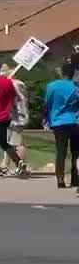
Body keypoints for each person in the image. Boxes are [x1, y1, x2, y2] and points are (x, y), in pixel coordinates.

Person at [42, 61, 79, 189]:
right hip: (74, 121)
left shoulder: (51, 86)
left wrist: (46, 118)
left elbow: (47, 104)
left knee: (61, 151)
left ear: (61, 72)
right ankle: (75, 178)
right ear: (73, 73)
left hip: (58, 122)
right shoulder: (75, 87)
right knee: (76, 152)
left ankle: (60, 179)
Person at [8, 76, 30, 177]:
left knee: (18, 143)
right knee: (10, 143)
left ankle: (21, 167)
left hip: (17, 117)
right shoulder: (14, 84)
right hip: (12, 116)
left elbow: (20, 101)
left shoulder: (16, 84)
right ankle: (14, 165)